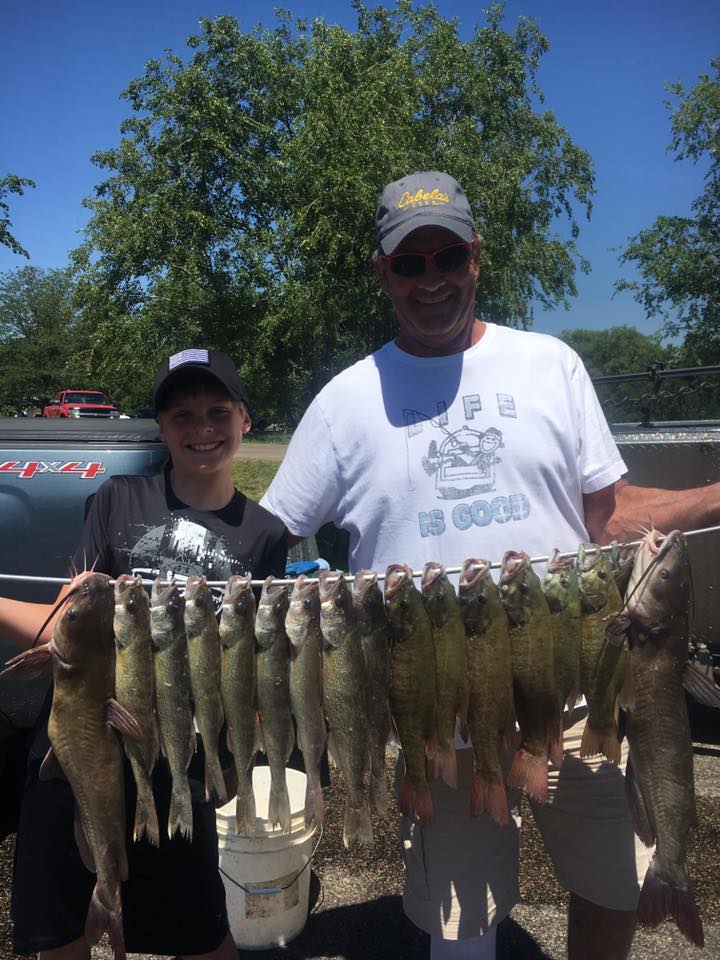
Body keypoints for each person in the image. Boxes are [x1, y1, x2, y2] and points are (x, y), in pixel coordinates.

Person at [260, 171, 720, 960]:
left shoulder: (551, 365)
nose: (431, 279)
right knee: (459, 928)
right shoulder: (344, 400)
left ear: (476, 257)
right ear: (382, 272)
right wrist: (163, 551)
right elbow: (266, 537)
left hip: (577, 703)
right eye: (410, 263)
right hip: (439, 720)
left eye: (447, 256)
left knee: (612, 893)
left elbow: (607, 517)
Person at [1, 348, 288, 960]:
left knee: (201, 934)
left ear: (245, 420)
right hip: (82, 741)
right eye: (183, 415)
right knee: (59, 932)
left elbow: (251, 667)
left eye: (218, 412)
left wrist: (237, 753)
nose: (202, 429)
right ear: (161, 429)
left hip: (179, 758)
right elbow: (66, 626)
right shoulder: (116, 500)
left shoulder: (264, 534)